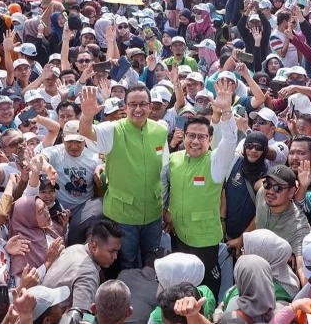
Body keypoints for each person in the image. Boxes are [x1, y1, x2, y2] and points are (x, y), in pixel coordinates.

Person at [79, 85, 167, 270]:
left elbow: (164, 167)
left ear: (151, 107)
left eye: (143, 104)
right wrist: (87, 116)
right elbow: (88, 132)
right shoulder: (113, 130)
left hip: (153, 212)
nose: (138, 109)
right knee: (128, 262)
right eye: (132, 104)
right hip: (123, 215)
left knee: (152, 261)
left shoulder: (160, 130)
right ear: (125, 107)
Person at [163, 79, 236, 297]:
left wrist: (226, 112)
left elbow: (231, 141)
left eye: (201, 137)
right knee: (182, 287)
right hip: (179, 236)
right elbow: (168, 190)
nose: (195, 141)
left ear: (210, 139)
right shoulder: (174, 159)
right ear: (183, 136)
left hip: (204, 240)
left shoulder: (215, 162)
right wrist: (167, 212)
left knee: (205, 290)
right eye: (191, 136)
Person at [42, 219, 124, 308]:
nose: (115, 257)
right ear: (93, 247)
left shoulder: (74, 248)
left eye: (117, 252)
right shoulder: (88, 275)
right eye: (112, 251)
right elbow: (80, 317)